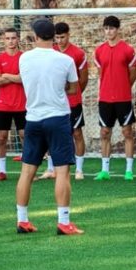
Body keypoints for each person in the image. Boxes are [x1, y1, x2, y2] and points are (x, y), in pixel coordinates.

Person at [15, 18, 82, 235]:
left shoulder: (24, 58)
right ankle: (64, 222)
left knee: (27, 172)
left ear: (35, 36)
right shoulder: (66, 60)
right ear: (54, 37)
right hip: (58, 118)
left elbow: (27, 81)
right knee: (62, 171)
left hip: (33, 119)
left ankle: (22, 220)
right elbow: (74, 88)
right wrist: (59, 88)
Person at [93, 16, 136, 181]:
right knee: (105, 132)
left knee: (127, 132)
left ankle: (129, 171)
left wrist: (123, 87)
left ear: (118, 29)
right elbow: (101, 74)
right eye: (106, 28)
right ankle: (105, 170)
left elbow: (132, 74)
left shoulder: (128, 50)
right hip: (105, 99)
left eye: (111, 28)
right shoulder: (99, 51)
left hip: (123, 98)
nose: (108, 31)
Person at [50, 22, 89, 180]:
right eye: (57, 37)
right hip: (54, 102)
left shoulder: (78, 53)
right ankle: (51, 169)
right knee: (52, 134)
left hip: (73, 101)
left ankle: (79, 169)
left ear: (68, 35)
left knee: (77, 133)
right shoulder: (51, 52)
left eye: (62, 37)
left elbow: (83, 79)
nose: (59, 40)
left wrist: (74, 93)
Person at [0, 28, 26, 181]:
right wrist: (15, 77)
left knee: (25, 136)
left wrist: (6, 75)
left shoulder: (24, 58)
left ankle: (27, 171)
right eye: (8, 38)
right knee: (1, 138)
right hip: (3, 105)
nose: (11, 41)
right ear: (3, 40)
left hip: (22, 104)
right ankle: (2, 171)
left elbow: (24, 78)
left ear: (18, 39)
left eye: (13, 38)